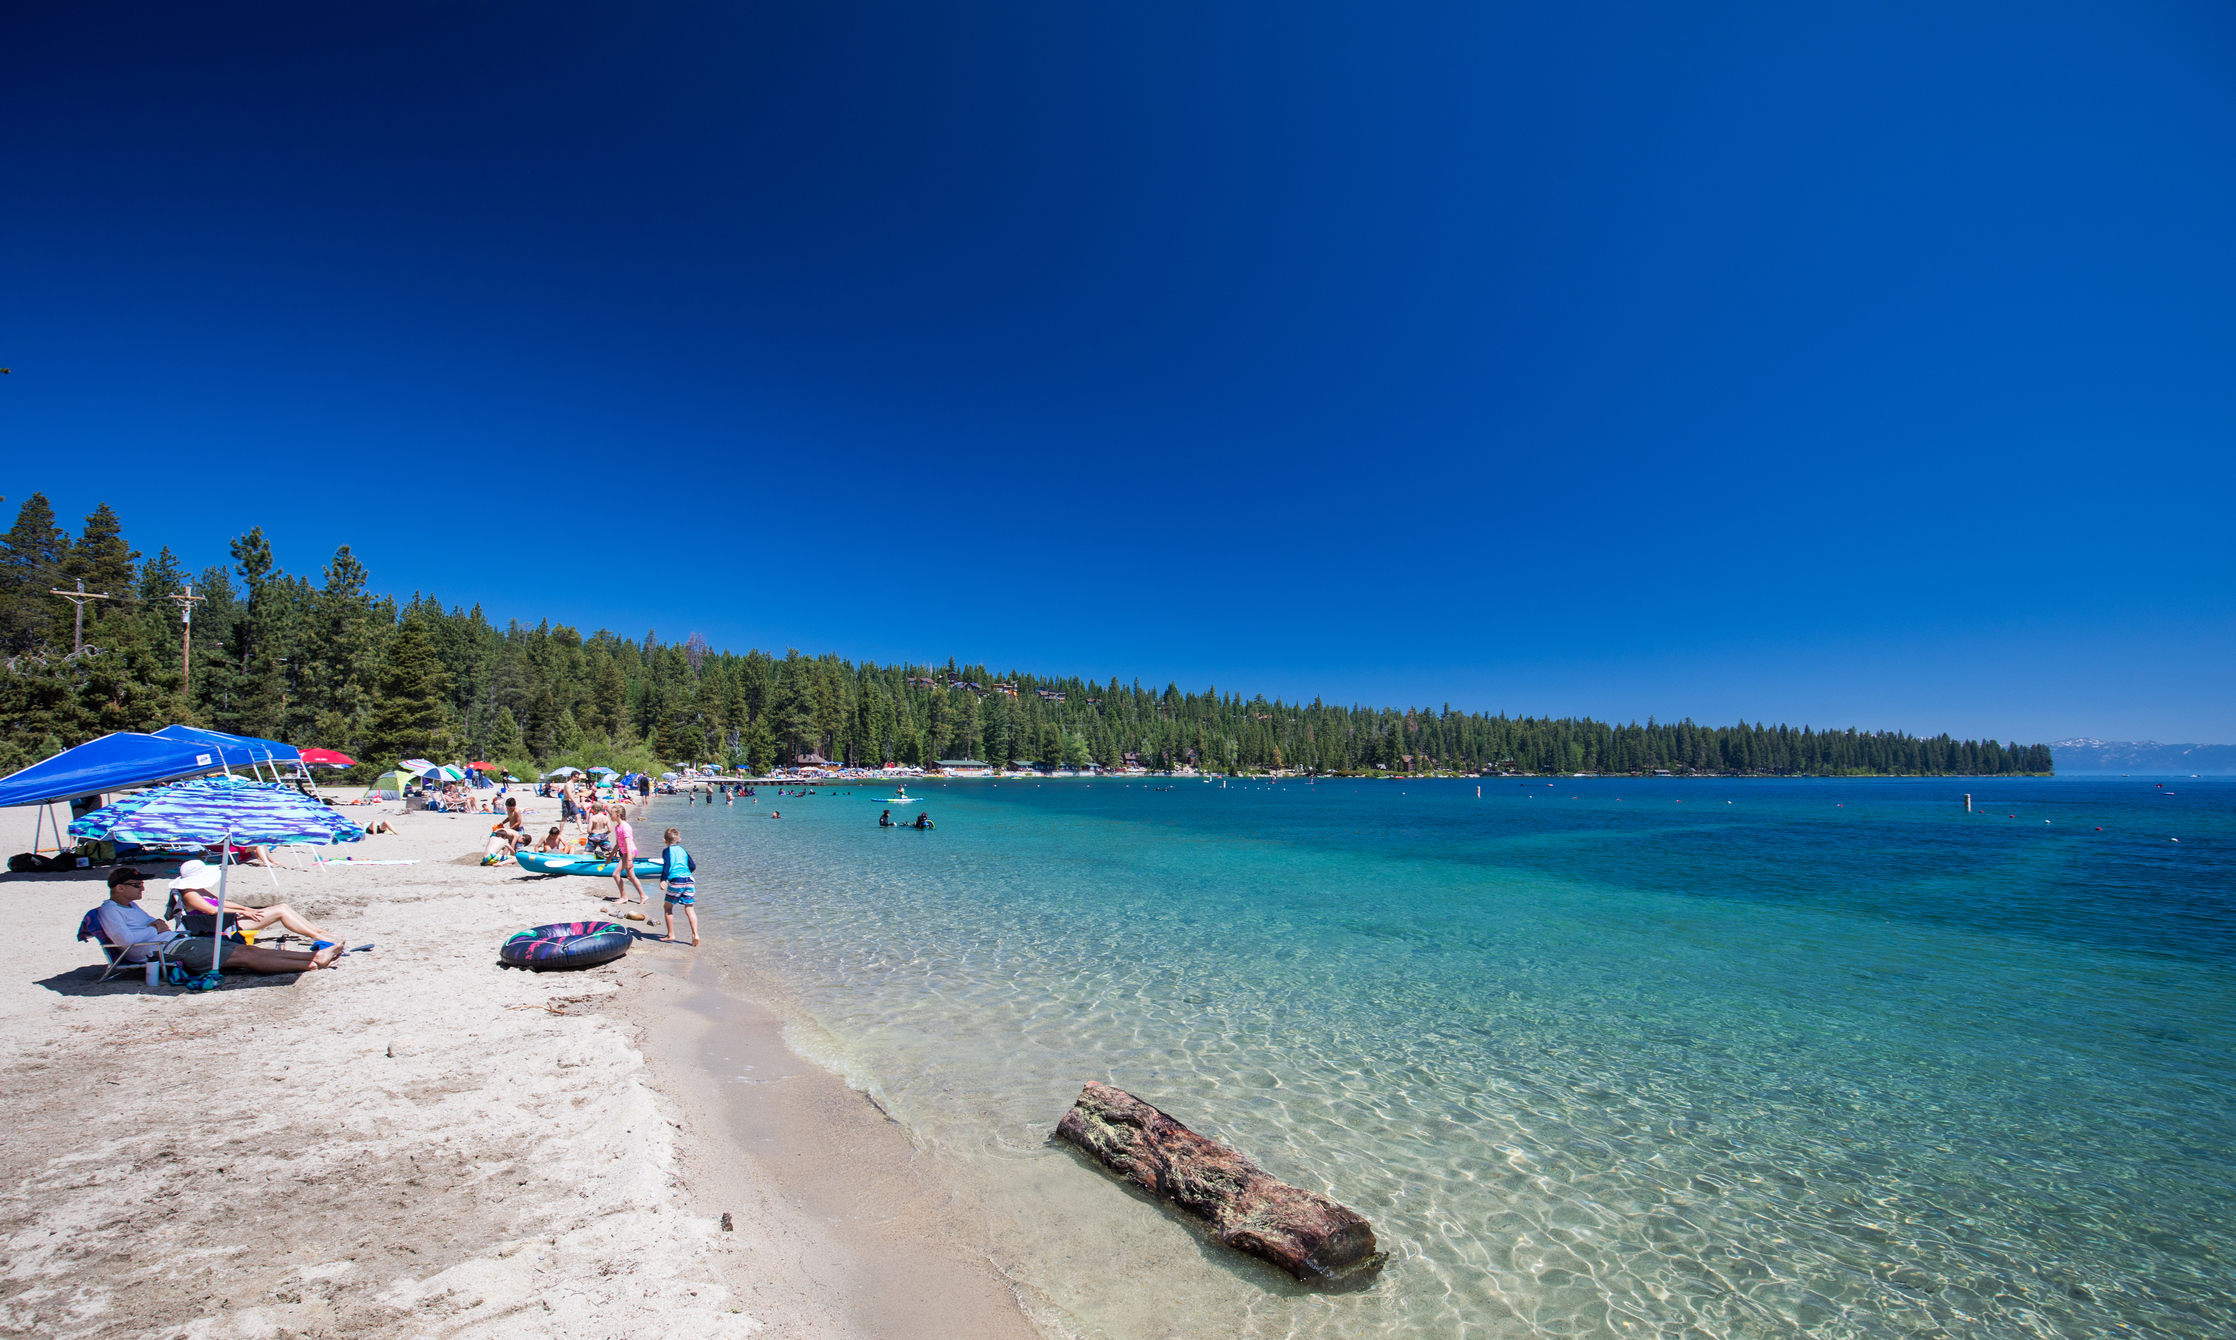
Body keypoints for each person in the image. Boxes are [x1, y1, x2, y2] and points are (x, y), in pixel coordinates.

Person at [99, 867, 344, 974]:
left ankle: (314, 958)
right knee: (245, 957)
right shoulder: (109, 911)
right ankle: (312, 962)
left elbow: (157, 926)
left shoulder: (130, 906)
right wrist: (154, 927)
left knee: (245, 949)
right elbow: (125, 940)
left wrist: (155, 927)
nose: (142, 889)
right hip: (166, 952)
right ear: (119, 887)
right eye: (136, 885)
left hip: (176, 942)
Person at [169, 860, 335, 944]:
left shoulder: (198, 890)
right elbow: (212, 910)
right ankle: (316, 935)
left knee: (283, 907)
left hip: (224, 920)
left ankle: (319, 931)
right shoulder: (189, 894)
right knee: (281, 912)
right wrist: (243, 912)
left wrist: (243, 907)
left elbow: (219, 903)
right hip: (219, 926)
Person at [658, 827, 699, 946]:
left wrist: (663, 879)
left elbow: (667, 865)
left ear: (664, 840)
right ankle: (695, 934)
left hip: (676, 880)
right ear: (679, 840)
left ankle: (670, 934)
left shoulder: (667, 851)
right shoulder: (683, 850)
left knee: (668, 907)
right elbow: (692, 866)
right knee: (689, 908)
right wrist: (686, 873)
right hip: (689, 879)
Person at [610, 804, 647, 904]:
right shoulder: (618, 827)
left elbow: (627, 843)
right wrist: (610, 856)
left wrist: (629, 859)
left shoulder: (625, 827)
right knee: (630, 876)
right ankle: (643, 895)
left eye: (611, 814)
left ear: (618, 815)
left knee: (615, 874)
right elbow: (618, 844)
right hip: (626, 853)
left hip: (629, 852)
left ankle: (623, 897)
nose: (610, 815)